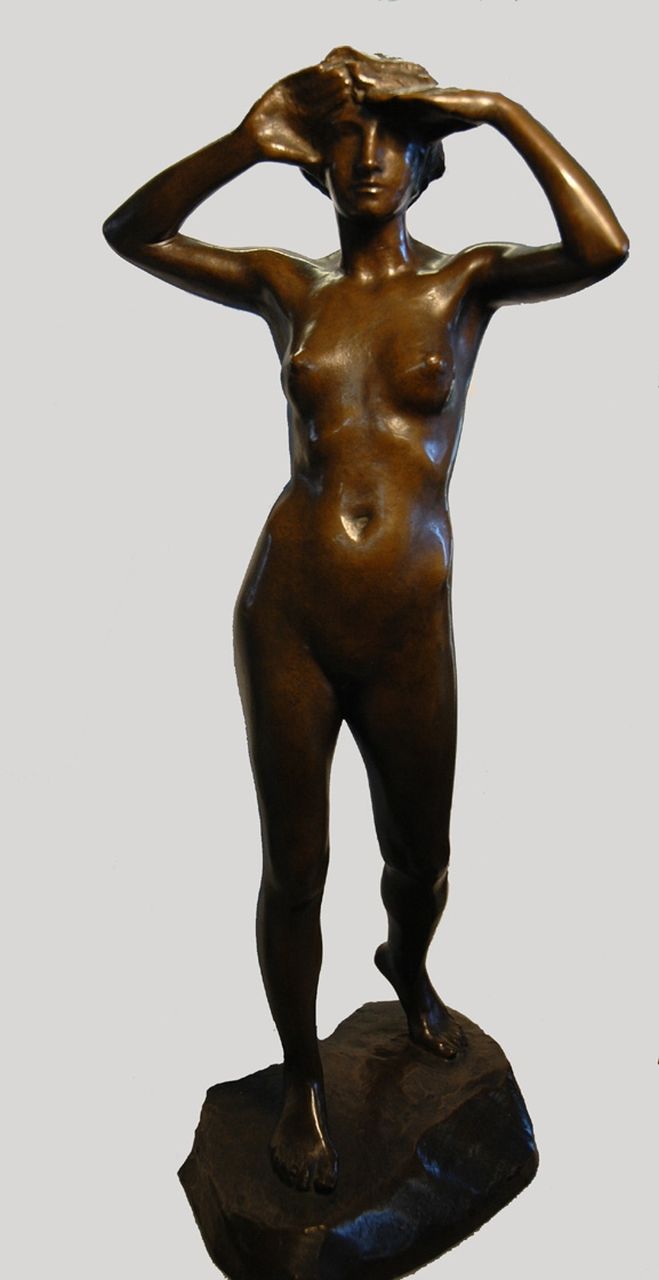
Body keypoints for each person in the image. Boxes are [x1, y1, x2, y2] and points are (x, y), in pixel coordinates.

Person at [103, 48, 628, 1195]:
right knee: (293, 867)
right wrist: (244, 140)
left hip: (405, 618)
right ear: (318, 166)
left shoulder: (464, 284)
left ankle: (407, 965)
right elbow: (130, 233)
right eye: (346, 141)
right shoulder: (289, 288)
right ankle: (301, 1076)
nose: (370, 159)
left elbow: (603, 247)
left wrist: (495, 107)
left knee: (420, 858)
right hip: (287, 609)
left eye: (395, 137)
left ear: (430, 159)